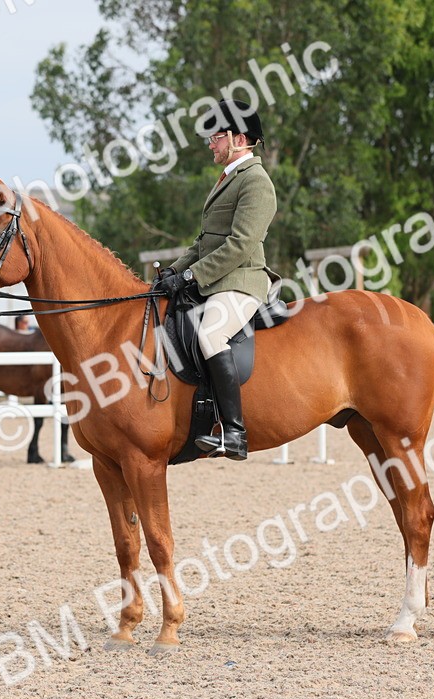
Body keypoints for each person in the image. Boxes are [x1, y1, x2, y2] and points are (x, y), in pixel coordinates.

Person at [155, 99, 278, 461]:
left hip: (242, 280)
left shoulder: (257, 182)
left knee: (212, 334)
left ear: (239, 139)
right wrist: (174, 272)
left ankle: (235, 433)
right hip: (217, 279)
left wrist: (193, 275)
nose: (211, 143)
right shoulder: (228, 179)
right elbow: (203, 241)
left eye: (217, 136)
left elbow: (240, 245)